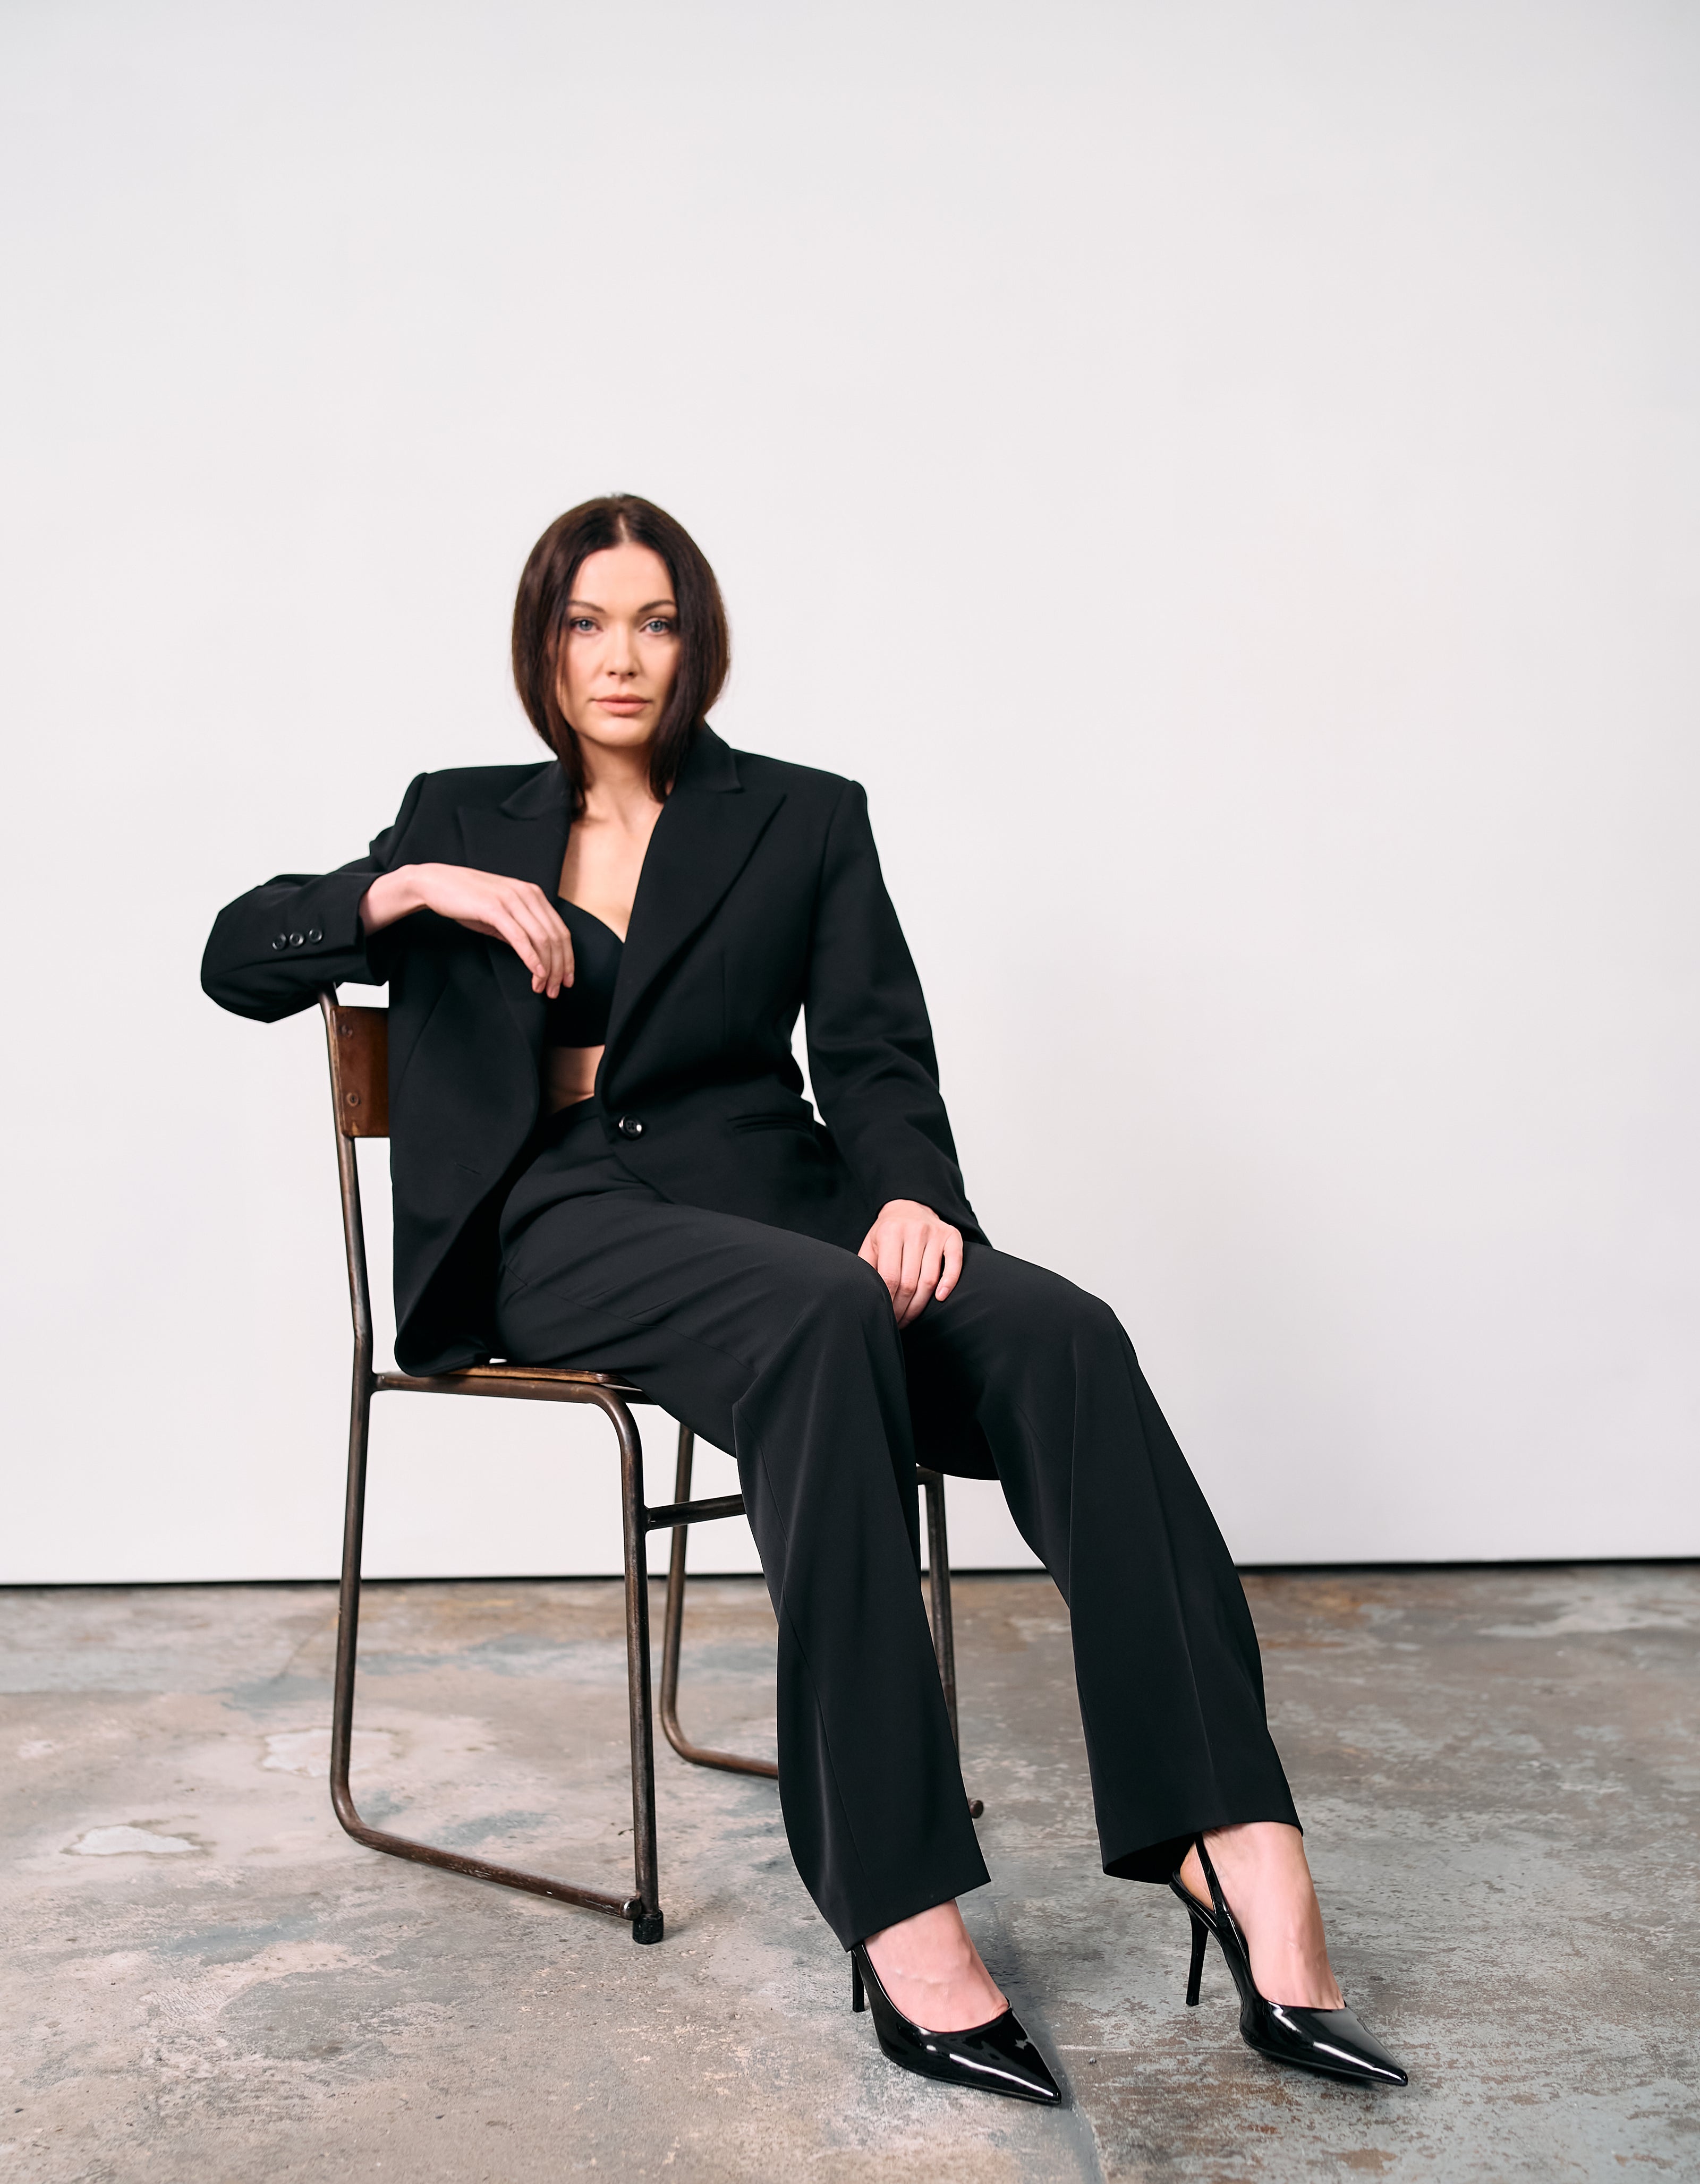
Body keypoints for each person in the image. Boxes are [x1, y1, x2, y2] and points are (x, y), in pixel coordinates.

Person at [202, 494, 1406, 2103]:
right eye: (586, 623)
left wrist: (914, 1193)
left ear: (696, 640)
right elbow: (235, 958)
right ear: (542, 644)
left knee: (1063, 1335)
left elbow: (874, 1052)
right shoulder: (459, 812)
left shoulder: (802, 815)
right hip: (548, 1219)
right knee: (821, 1323)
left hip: (780, 1201)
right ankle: (899, 1906)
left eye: (654, 622)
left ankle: (1238, 1843)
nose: (620, 657)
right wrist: (402, 891)